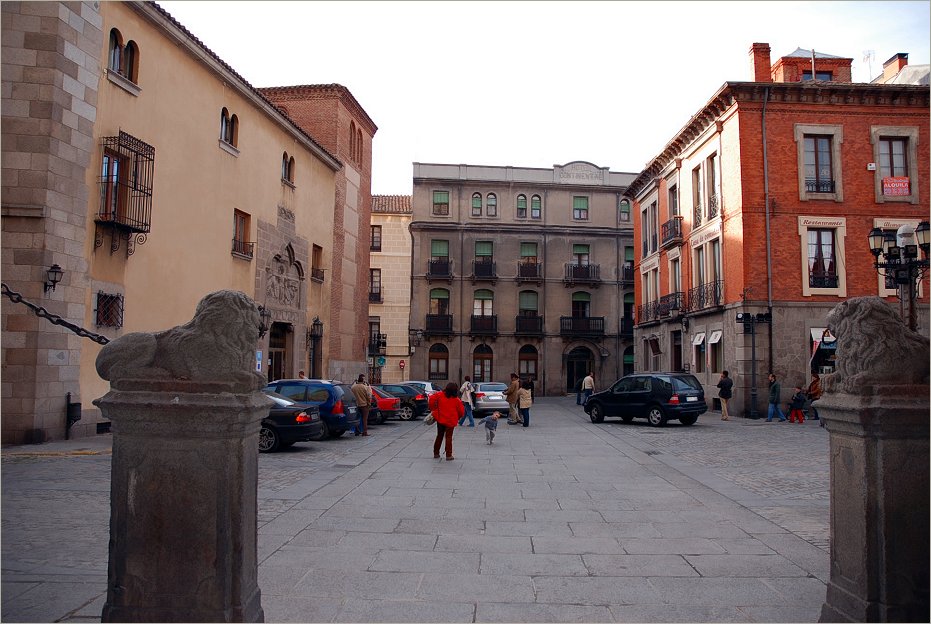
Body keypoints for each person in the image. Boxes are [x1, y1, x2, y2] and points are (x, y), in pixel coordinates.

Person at [429, 382, 464, 460]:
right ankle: (448, 455)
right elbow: (461, 411)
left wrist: (434, 409)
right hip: (451, 421)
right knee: (448, 437)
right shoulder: (456, 400)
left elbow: (431, 399)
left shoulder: (439, 395)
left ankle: (436, 453)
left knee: (439, 436)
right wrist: (458, 417)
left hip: (440, 419)